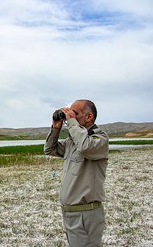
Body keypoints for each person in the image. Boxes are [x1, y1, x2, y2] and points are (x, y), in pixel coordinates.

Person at [44, 99, 109, 246]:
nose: (69, 117)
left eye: (75, 114)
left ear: (89, 117)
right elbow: (49, 149)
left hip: (86, 214)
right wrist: (56, 128)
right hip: (70, 213)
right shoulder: (72, 141)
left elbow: (86, 147)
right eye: (69, 114)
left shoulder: (100, 139)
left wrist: (71, 122)